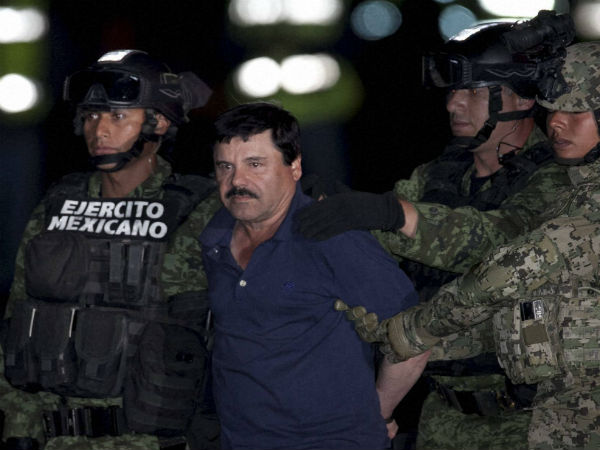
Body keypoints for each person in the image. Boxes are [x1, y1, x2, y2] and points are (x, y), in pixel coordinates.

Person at [297, 11, 576, 450]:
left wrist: (391, 214)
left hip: (531, 425)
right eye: (452, 91)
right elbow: (380, 242)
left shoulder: (560, 182)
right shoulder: (438, 178)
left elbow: (502, 241)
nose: (453, 104)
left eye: (473, 91)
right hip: (442, 416)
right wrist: (335, 207)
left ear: (522, 99)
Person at [1, 49, 221, 450]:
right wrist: (19, 430)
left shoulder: (198, 211)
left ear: (158, 122)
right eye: (90, 116)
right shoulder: (58, 205)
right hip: (57, 440)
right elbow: (18, 320)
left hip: (153, 440)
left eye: (118, 117)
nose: (99, 130)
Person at [199, 101, 428, 450]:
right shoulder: (215, 235)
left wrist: (378, 411)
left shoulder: (333, 238)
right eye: (225, 166)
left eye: (255, 164)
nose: (237, 181)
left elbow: (416, 334)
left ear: (294, 167)